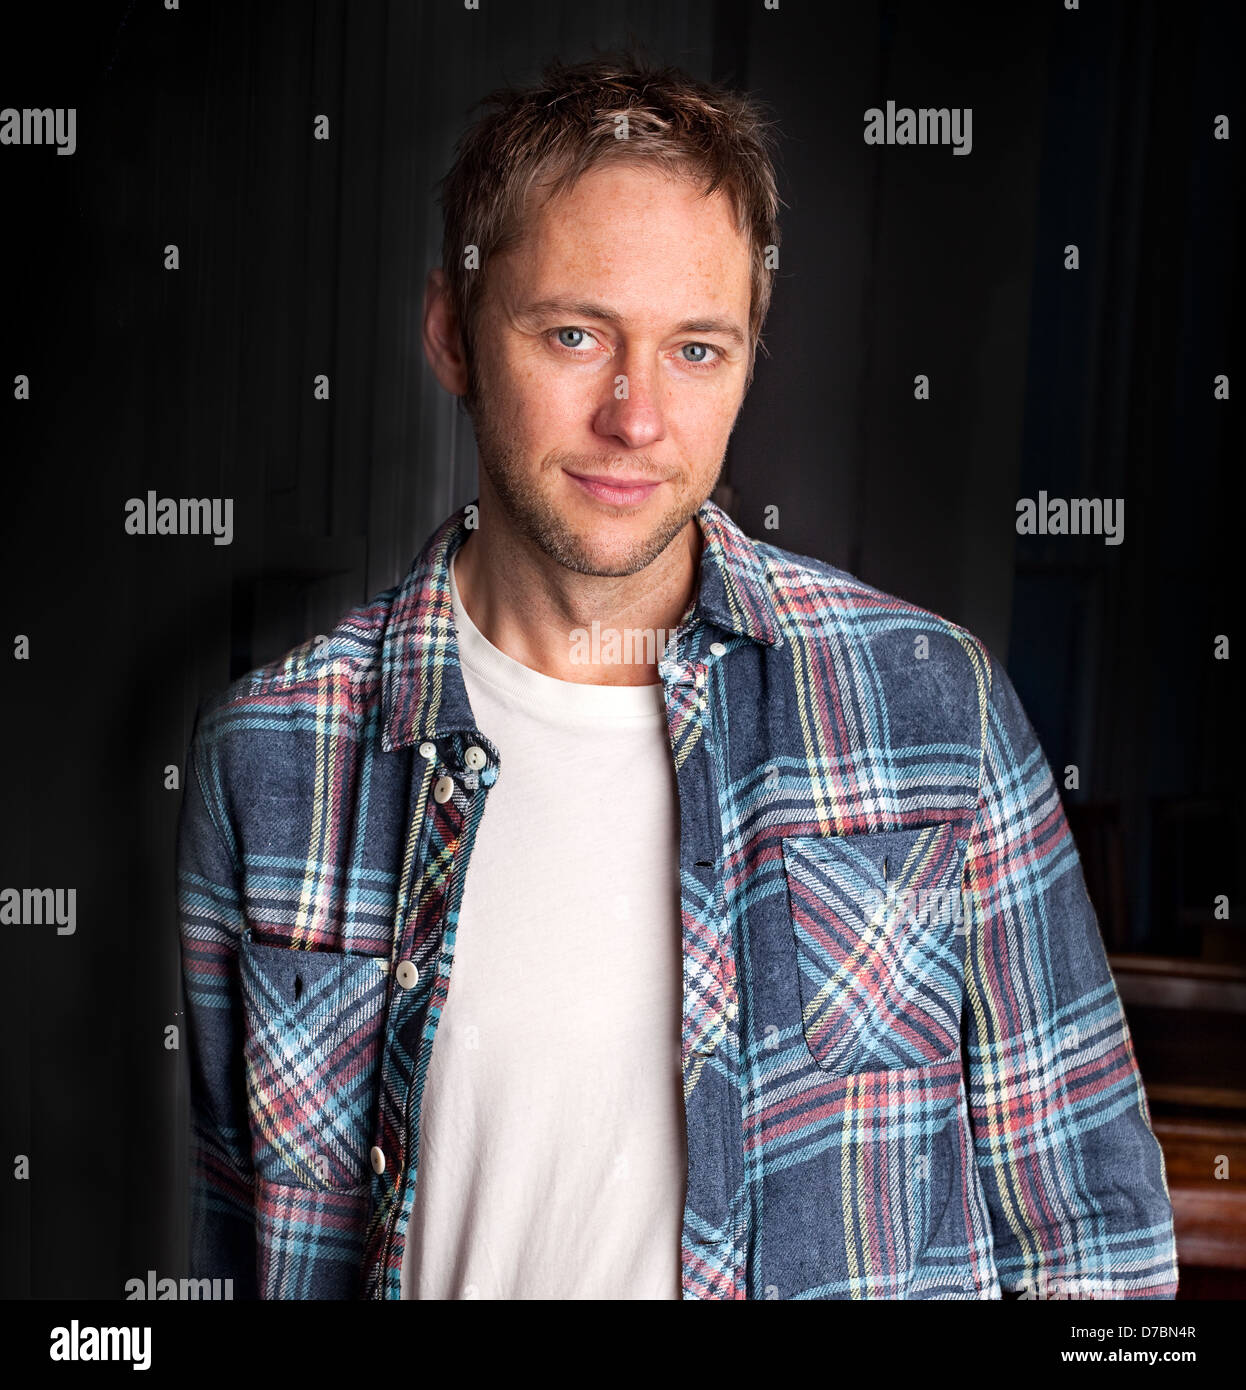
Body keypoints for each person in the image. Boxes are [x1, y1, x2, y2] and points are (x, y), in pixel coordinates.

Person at [176, 53, 1178, 1300]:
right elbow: (245, 1248)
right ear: (453, 333)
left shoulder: (932, 712)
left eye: (696, 349)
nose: (635, 415)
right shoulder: (275, 757)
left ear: (749, 358)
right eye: (575, 332)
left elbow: (1095, 1239)